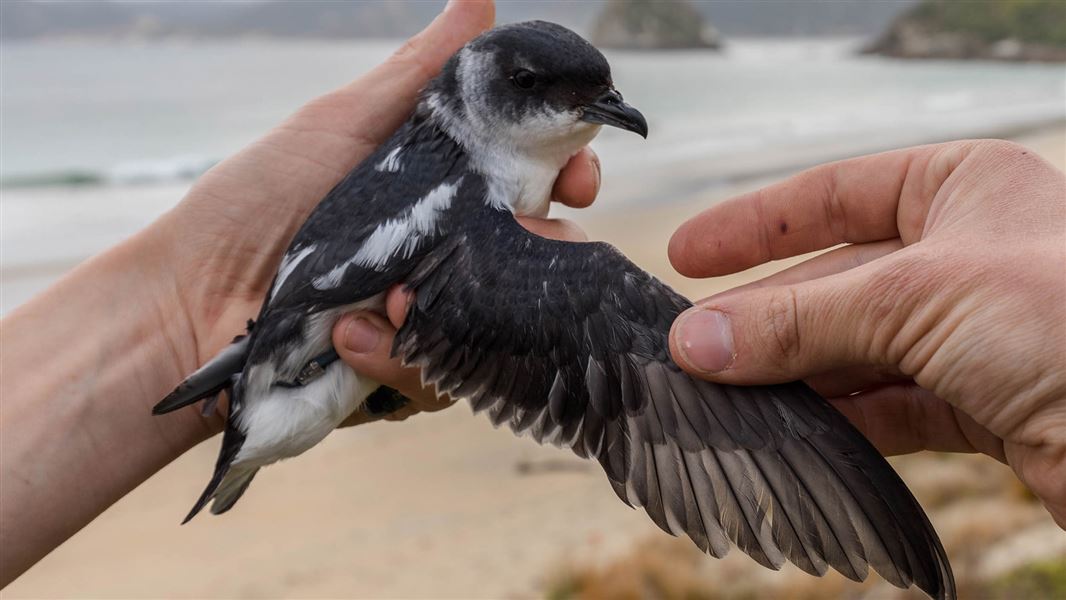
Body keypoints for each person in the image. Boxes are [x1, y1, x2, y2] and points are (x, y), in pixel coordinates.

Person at [1, 0, 1062, 588]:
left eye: (597, 99)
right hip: (284, 368)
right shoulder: (459, 190)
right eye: (554, 98)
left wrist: (201, 333)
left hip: (275, 349)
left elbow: (348, 251)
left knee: (601, 307)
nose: (593, 114)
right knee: (633, 318)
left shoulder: (443, 162)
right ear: (489, 97)